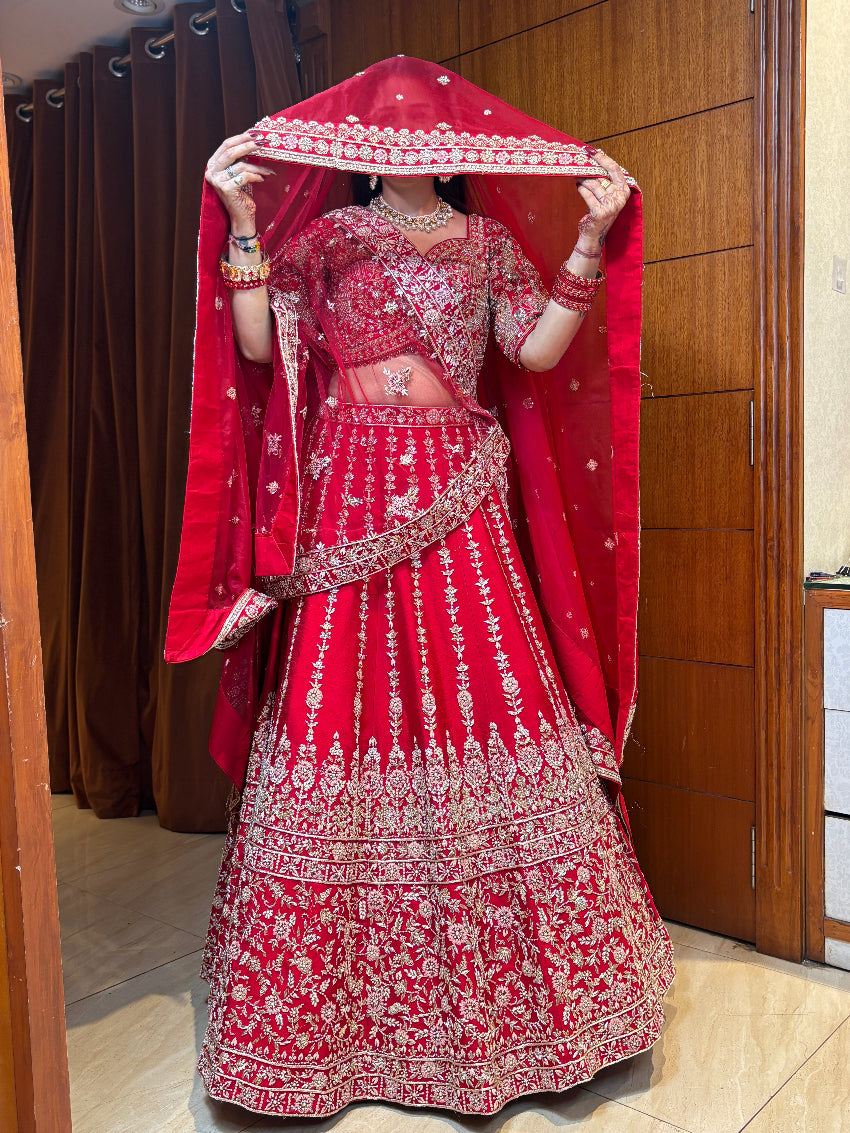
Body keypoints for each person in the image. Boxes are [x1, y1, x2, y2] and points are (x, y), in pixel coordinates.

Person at [166, 56, 675, 1119]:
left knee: (484, 692)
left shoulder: (486, 244)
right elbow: (259, 343)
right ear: (362, 153)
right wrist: (238, 216)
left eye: (428, 134)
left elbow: (532, 353)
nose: (412, 150)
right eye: (390, 136)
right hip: (348, 494)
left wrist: (590, 237)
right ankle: (324, 1029)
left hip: (458, 497)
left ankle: (536, 1014)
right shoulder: (329, 240)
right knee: (339, 707)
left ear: (453, 149)